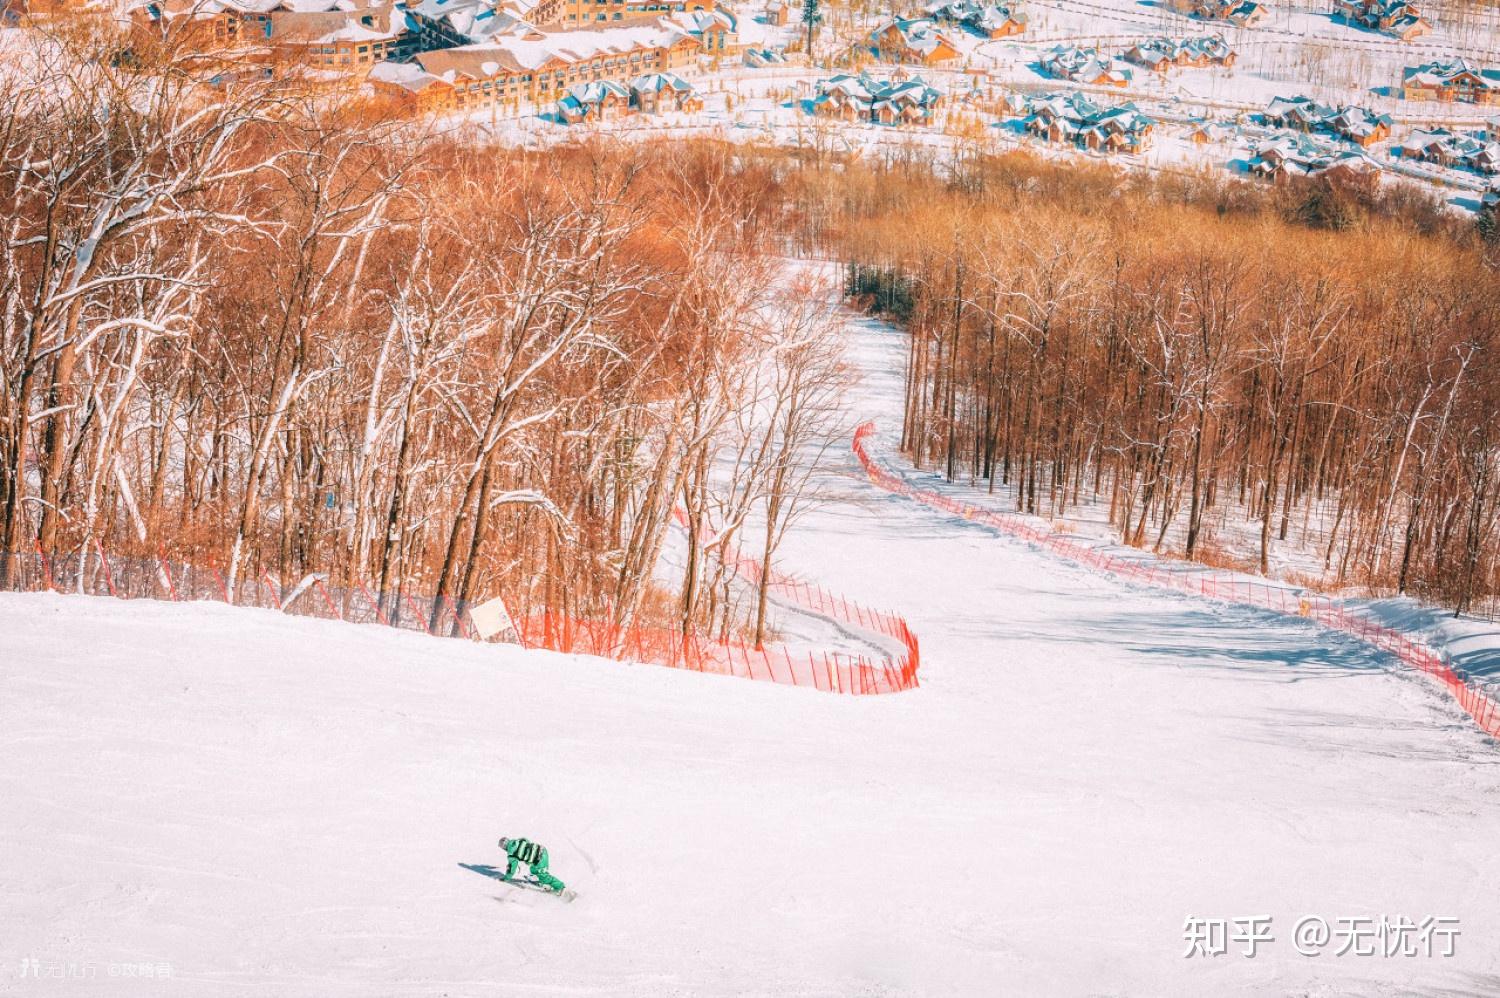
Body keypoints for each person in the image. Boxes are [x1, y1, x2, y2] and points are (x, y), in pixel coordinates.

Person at [498, 836, 565, 893]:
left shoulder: (511, 854)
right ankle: (542, 881)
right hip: (543, 850)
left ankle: (560, 887)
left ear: (504, 847)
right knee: (533, 869)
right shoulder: (518, 841)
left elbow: (512, 869)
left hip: (539, 859)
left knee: (543, 875)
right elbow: (526, 840)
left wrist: (506, 878)